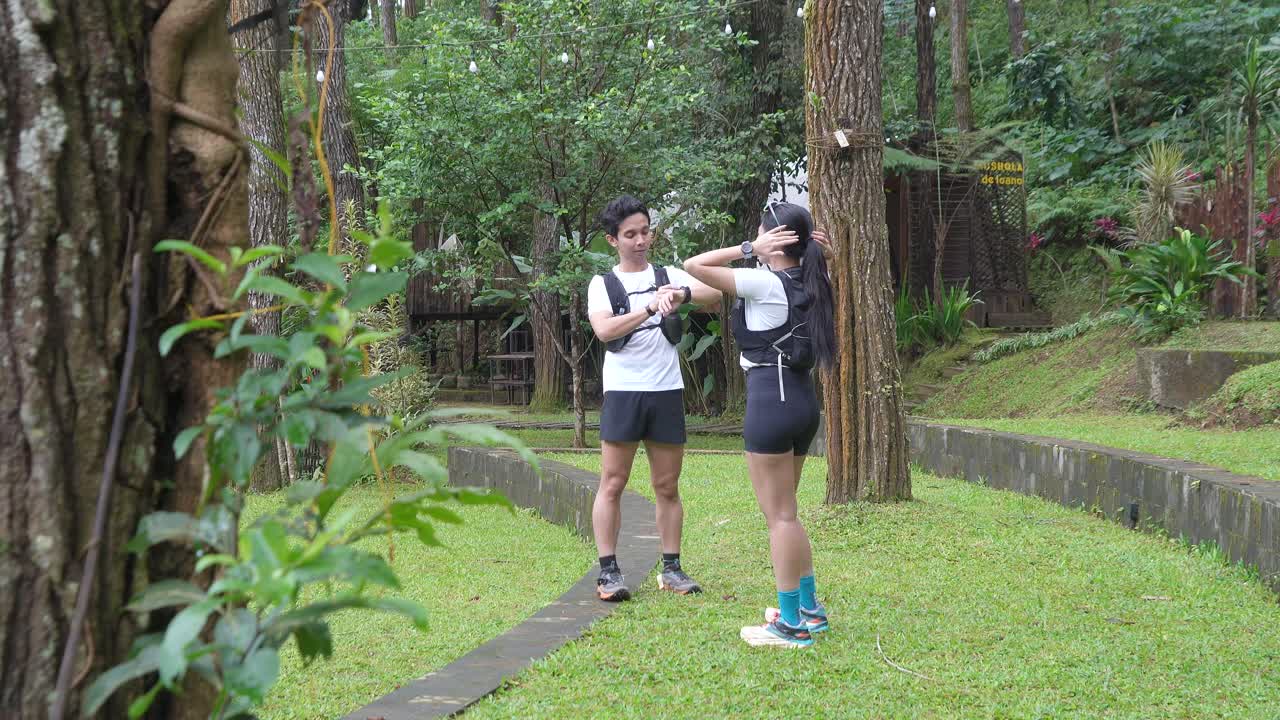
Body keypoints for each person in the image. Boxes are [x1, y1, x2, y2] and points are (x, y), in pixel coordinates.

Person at [682, 201, 835, 648]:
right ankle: (809, 610)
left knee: (780, 516)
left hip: (773, 396)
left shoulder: (764, 282)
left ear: (777, 240)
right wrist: (821, 251)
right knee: (788, 512)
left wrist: (748, 247)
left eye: (764, 233)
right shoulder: (815, 277)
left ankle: (790, 625)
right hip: (803, 400)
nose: (757, 239)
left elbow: (693, 264)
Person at [586, 195, 722, 601]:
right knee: (613, 481)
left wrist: (679, 294)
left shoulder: (668, 274)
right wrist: (648, 307)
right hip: (624, 393)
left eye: (645, 232)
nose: (641, 240)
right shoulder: (603, 284)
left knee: (667, 484)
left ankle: (673, 569)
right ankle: (608, 573)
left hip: (666, 391)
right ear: (612, 240)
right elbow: (605, 331)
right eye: (630, 234)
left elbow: (713, 294)